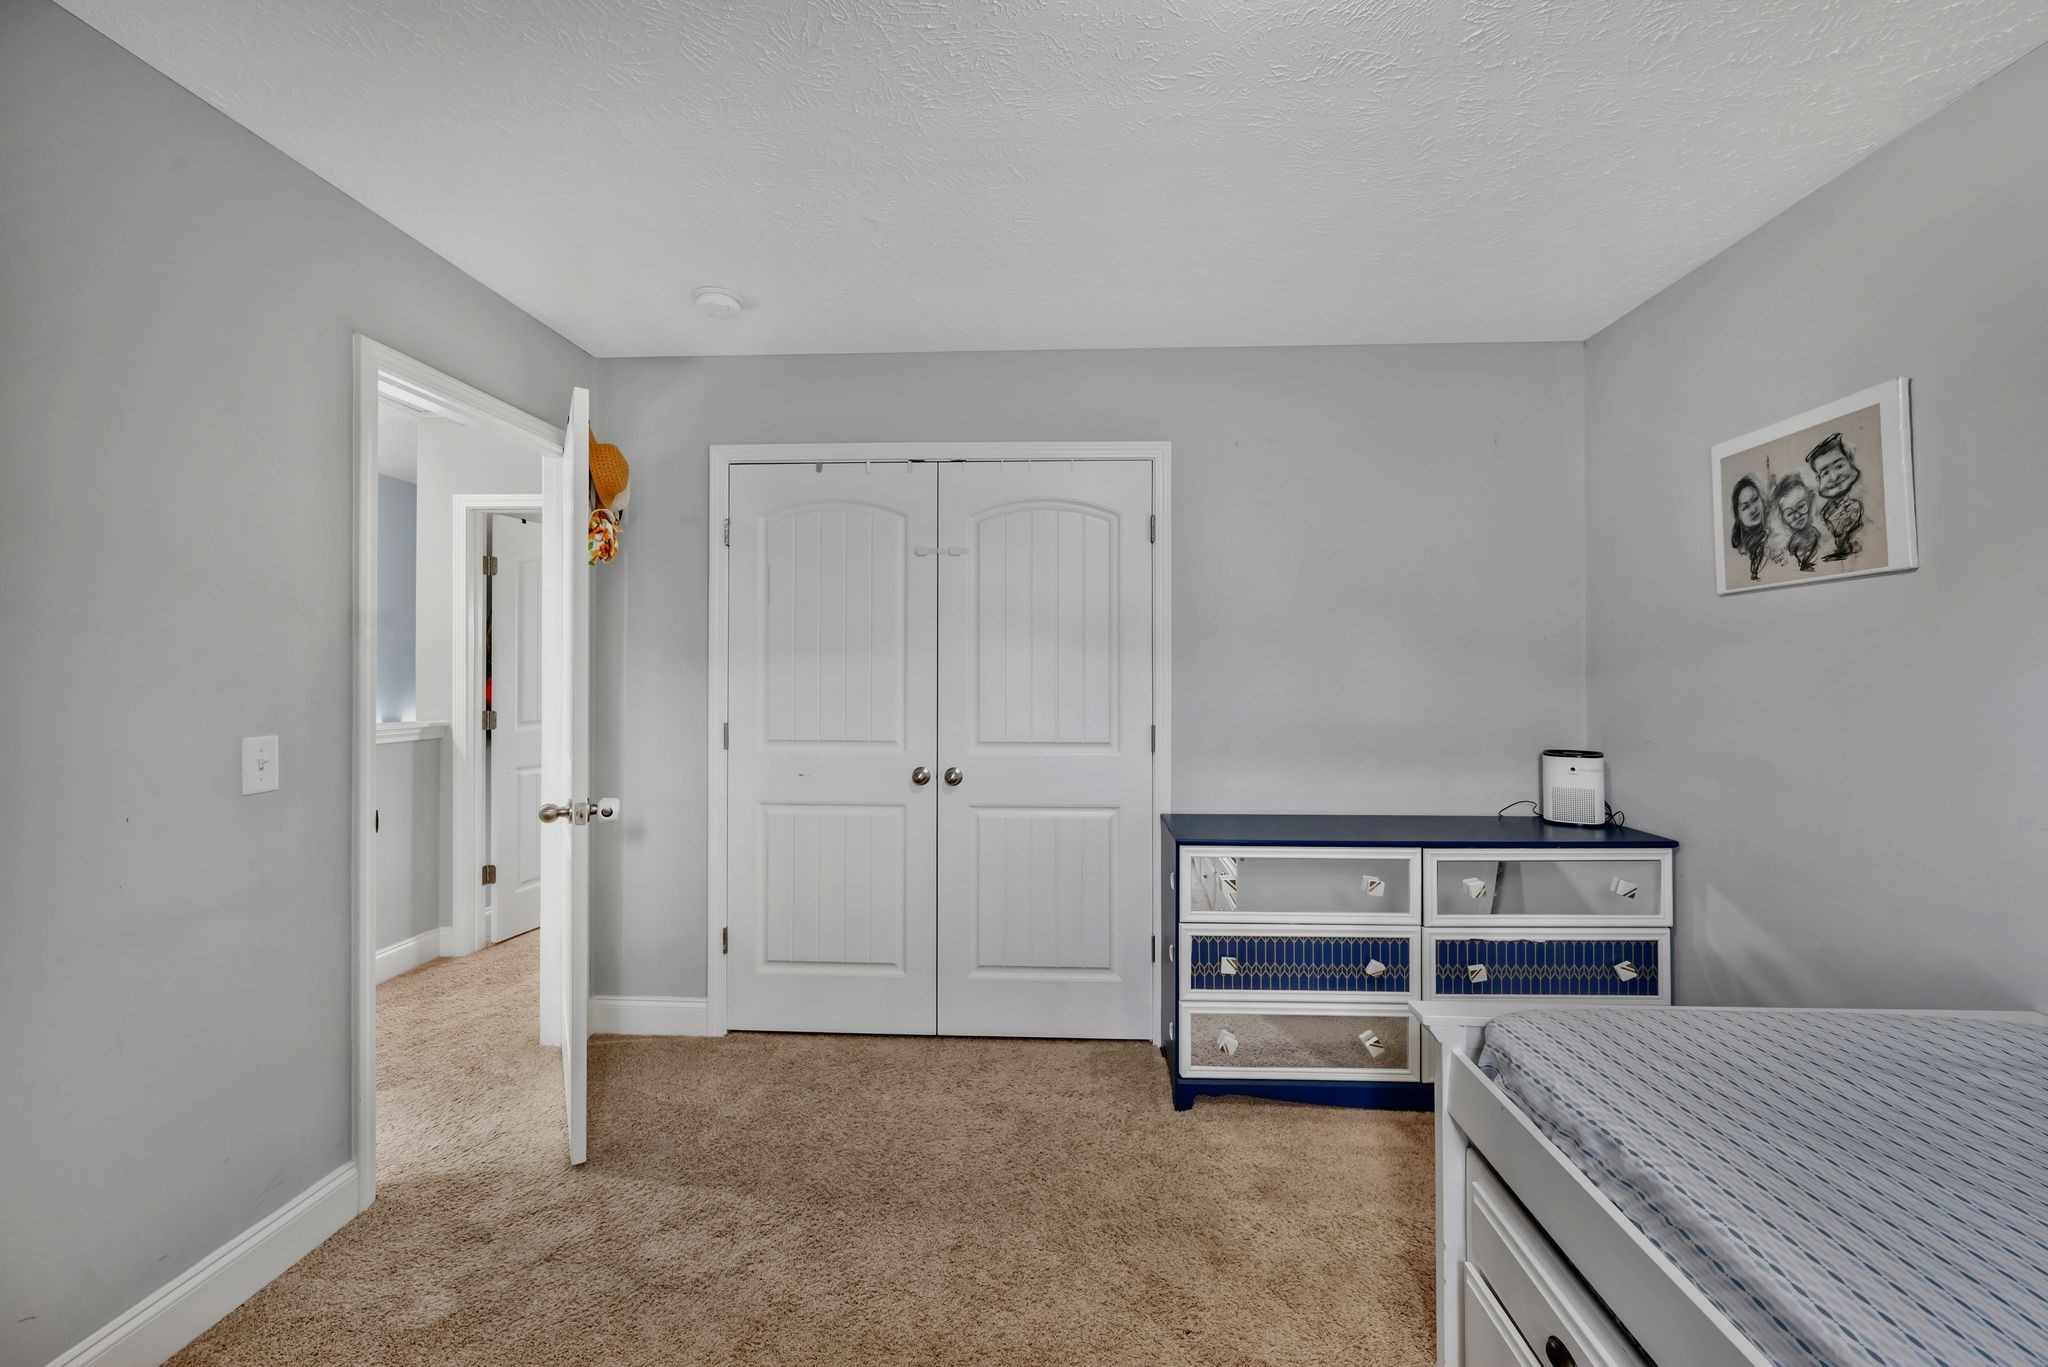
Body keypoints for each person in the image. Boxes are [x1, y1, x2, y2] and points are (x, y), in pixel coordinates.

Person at [1806, 431, 1865, 561]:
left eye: (1839, 466)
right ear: (1818, 479)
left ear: (1850, 462)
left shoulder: (1858, 506)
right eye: (1825, 473)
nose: (1834, 477)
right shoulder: (1824, 513)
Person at [1773, 473, 1820, 571]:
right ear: (1782, 517)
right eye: (1790, 513)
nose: (1797, 516)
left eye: (1801, 506)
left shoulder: (1820, 538)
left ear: (1809, 502)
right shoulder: (1788, 548)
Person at [1729, 475, 1770, 580]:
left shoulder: (1774, 538)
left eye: (1755, 499)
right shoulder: (1739, 554)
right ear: (1738, 516)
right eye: (1746, 507)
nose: (1753, 509)